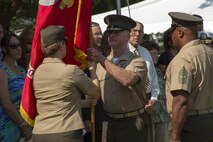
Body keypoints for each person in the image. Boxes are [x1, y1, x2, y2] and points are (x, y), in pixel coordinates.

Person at [87, 14, 149, 142]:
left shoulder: (137, 61)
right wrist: (92, 71)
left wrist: (101, 59)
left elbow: (127, 79)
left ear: (128, 35)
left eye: (117, 32)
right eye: (109, 32)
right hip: (108, 123)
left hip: (132, 123)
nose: (111, 35)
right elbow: (95, 94)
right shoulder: (101, 63)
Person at [32, 25, 100, 142]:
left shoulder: (37, 71)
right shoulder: (70, 70)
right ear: (61, 45)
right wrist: (92, 70)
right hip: (65, 133)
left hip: (40, 133)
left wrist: (86, 102)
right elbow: (95, 91)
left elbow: (60, 101)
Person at [165, 12, 213, 142]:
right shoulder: (210, 52)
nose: (171, 36)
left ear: (180, 32)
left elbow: (181, 100)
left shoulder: (183, 58)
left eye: (172, 31)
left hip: (190, 124)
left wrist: (174, 136)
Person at [128, 21, 159, 142]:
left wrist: (154, 98)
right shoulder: (121, 51)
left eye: (140, 31)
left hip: (148, 103)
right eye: (134, 31)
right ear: (127, 33)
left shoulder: (145, 52)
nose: (137, 34)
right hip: (130, 102)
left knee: (148, 138)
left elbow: (153, 77)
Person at [0, 33, 32, 142]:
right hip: (8, 127)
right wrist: (23, 125)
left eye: (19, 45)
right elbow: (6, 104)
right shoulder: (2, 71)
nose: (18, 48)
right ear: (4, 49)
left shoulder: (22, 71)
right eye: (14, 45)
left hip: (24, 125)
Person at [141, 40, 170, 142]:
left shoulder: (158, 71)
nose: (157, 56)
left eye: (157, 53)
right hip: (149, 115)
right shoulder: (142, 70)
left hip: (162, 115)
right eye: (153, 53)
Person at [83, 22, 104, 142]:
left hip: (104, 113)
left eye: (100, 33)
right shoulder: (82, 60)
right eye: (96, 34)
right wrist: (86, 116)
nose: (100, 36)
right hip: (91, 114)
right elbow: (82, 90)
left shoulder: (104, 57)